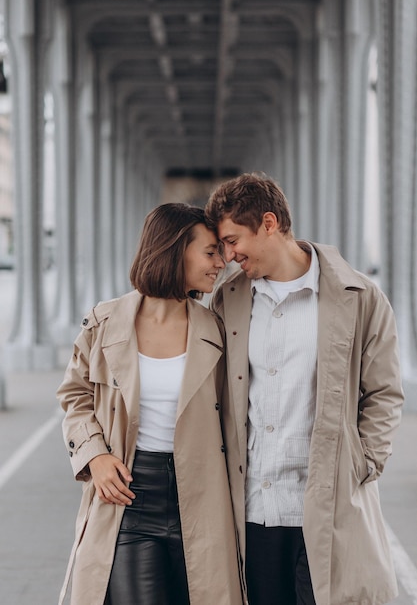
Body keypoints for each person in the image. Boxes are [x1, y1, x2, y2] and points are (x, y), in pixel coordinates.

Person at [205, 173, 404, 605]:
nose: (228, 255)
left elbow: (384, 392)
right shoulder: (228, 300)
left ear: (270, 223)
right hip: (254, 509)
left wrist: (364, 463)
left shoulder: (361, 297)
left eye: (233, 239)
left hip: (328, 509)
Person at [57, 203, 244, 605]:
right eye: (210, 252)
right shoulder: (104, 323)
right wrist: (95, 456)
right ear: (175, 250)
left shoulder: (217, 327)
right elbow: (74, 395)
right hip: (129, 497)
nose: (221, 262)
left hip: (204, 497)